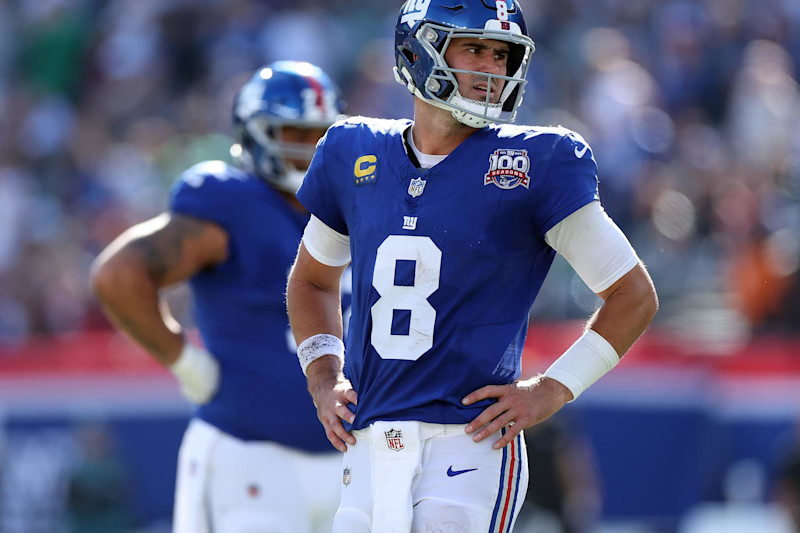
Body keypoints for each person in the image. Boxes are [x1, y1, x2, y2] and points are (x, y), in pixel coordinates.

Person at [286, 1, 659, 532]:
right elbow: (311, 279)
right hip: (368, 445)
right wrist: (324, 377)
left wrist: (553, 388)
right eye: (476, 49)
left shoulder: (538, 161)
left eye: (503, 56)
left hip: (469, 445)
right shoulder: (353, 149)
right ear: (419, 50)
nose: (492, 70)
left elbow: (633, 294)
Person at [90, 61, 346, 533]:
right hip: (248, 456)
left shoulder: (353, 206)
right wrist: (186, 362)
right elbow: (118, 275)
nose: (310, 148)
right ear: (256, 132)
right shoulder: (231, 202)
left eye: (320, 134)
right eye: (294, 131)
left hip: (350, 462)